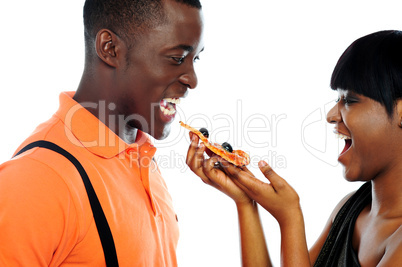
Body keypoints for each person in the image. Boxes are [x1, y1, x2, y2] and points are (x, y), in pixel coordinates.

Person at [0, 0, 204, 266]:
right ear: (110, 48)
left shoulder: (142, 157)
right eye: (177, 58)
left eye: (195, 58)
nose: (193, 79)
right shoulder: (37, 179)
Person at [186, 30, 402, 266]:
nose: (331, 116)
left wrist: (289, 218)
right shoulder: (349, 209)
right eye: (336, 100)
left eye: (349, 101)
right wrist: (245, 202)